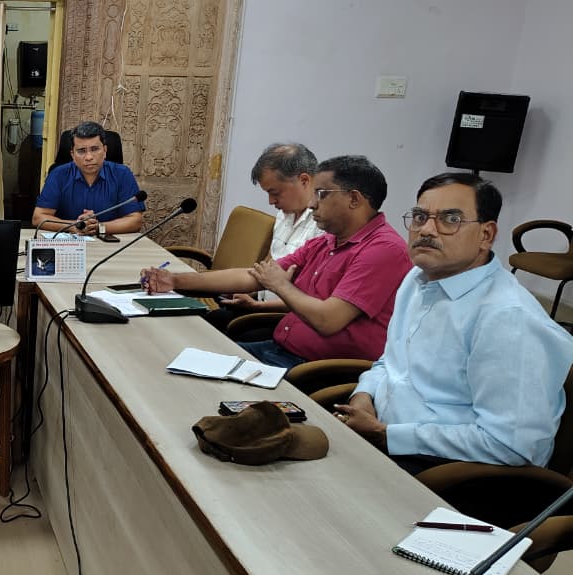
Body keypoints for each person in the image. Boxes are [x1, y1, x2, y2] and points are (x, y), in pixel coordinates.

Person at [336, 173, 573, 474]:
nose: (426, 229)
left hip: (449, 471)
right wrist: (363, 395)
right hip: (381, 434)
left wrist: (387, 435)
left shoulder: (507, 319)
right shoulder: (418, 278)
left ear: (486, 235)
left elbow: (511, 445)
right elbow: (393, 361)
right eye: (420, 217)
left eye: (451, 219)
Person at [142, 155, 411, 368]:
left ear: (354, 199)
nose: (312, 204)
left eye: (321, 194)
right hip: (281, 349)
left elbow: (328, 320)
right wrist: (175, 281)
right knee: (175, 358)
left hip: (315, 367)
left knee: (188, 372)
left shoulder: (383, 250)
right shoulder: (328, 241)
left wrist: (281, 286)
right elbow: (252, 276)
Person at [207, 142, 326, 334]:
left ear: (304, 180)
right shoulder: (284, 215)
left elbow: (312, 298)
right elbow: (269, 268)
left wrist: (256, 306)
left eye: (274, 193)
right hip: (260, 303)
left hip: (287, 318)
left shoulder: (324, 226)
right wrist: (248, 292)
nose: (271, 201)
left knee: (222, 330)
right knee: (207, 319)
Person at [32, 121, 144, 236]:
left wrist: (98, 227)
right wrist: (74, 226)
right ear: (72, 155)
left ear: (105, 150)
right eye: (81, 151)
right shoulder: (58, 175)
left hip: (112, 243)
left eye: (94, 149)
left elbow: (135, 220)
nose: (89, 157)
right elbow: (38, 217)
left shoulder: (122, 174)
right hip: (69, 243)